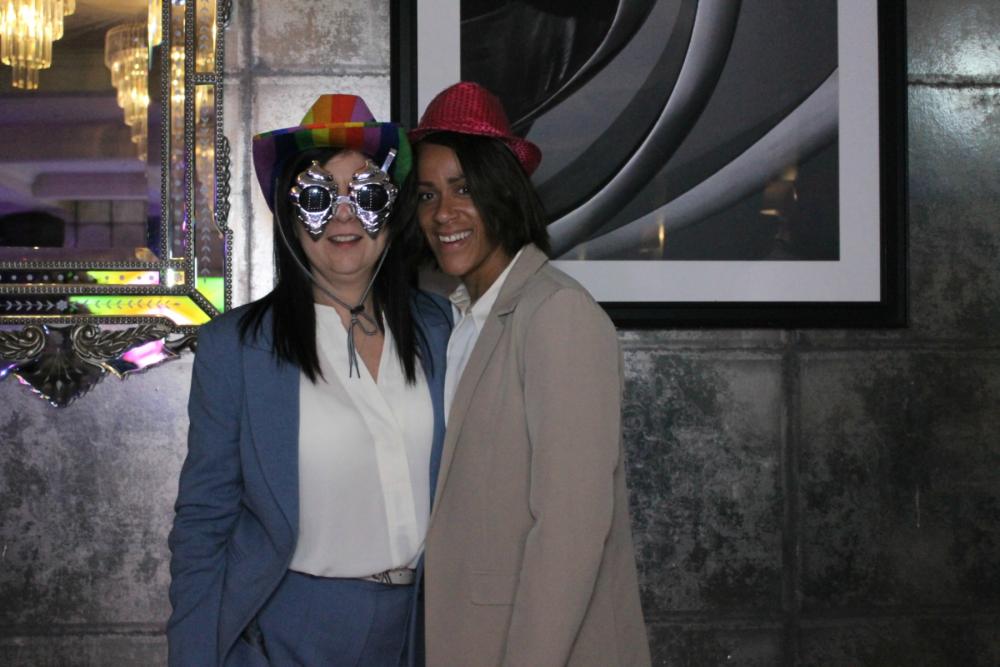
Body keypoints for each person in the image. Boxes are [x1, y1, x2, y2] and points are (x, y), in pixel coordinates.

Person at [167, 94, 451, 666]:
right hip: (286, 635)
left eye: (366, 195)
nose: (344, 216)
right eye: (320, 196)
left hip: (423, 632)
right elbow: (203, 524)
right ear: (291, 214)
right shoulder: (236, 349)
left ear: (391, 210)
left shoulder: (441, 328)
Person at [404, 81, 651, 666]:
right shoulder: (460, 319)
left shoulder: (557, 312)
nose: (443, 213)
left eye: (464, 188)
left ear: (504, 192)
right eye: (427, 194)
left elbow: (571, 529)